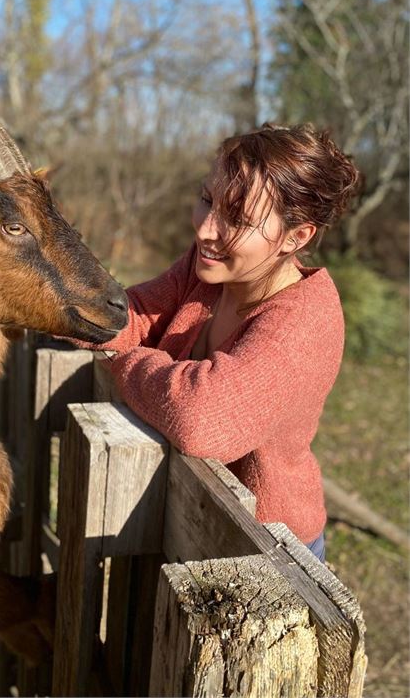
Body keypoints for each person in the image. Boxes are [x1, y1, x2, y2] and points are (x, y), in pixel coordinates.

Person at [78, 122, 362, 562]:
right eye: (207, 200)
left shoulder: (305, 320)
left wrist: (125, 361)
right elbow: (129, 317)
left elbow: (202, 419)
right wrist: (56, 304)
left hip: (265, 553)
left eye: (238, 218)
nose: (207, 229)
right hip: (187, 515)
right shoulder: (207, 268)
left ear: (296, 236)